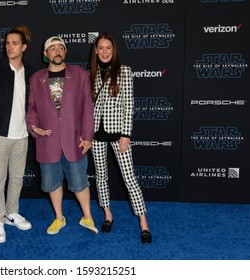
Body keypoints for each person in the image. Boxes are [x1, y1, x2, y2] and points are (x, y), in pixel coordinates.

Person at [26, 36, 98, 235]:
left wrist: (88, 136)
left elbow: (87, 109)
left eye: (60, 48)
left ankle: (88, 217)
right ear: (45, 54)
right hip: (47, 140)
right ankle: (59, 218)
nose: (57, 51)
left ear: (65, 52)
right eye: (52, 48)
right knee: (51, 183)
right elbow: (31, 109)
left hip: (74, 140)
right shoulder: (35, 78)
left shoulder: (80, 74)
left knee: (79, 182)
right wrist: (33, 126)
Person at [89, 33, 152, 243]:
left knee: (129, 178)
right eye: (101, 48)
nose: (105, 52)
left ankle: (143, 221)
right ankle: (107, 214)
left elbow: (129, 105)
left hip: (119, 134)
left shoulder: (125, 71)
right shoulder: (92, 73)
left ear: (113, 50)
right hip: (96, 134)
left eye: (109, 48)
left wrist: (126, 133)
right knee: (101, 176)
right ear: (96, 51)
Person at [0, 26, 35, 243]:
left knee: (17, 177)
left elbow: (34, 105)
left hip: (22, 136)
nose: (9, 47)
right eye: (7, 43)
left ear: (23, 47)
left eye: (14, 43)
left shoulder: (31, 71)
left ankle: (12, 212)